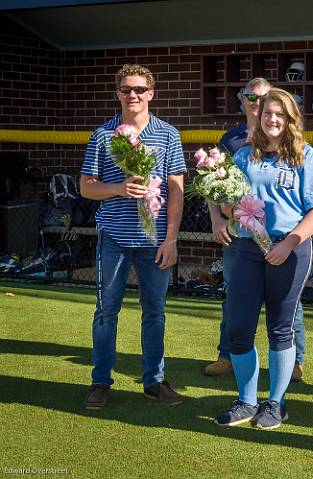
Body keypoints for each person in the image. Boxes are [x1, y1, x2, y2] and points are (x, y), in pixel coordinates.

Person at [213, 88, 313, 430]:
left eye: (280, 114)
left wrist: (289, 242)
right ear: (259, 116)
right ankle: (247, 401)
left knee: (281, 328)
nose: (273, 119)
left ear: (290, 118)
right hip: (249, 249)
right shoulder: (243, 156)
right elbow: (226, 203)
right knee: (238, 327)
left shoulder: (304, 156)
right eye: (268, 113)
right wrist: (222, 201)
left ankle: (276, 404)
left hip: (289, 249)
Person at [80, 64, 187, 409]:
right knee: (106, 311)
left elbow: (176, 192)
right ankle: (100, 381)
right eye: (126, 89)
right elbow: (86, 187)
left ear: (151, 94)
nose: (133, 95)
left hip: (154, 240)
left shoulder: (168, 134)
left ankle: (154, 380)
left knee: (154, 312)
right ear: (118, 93)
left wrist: (170, 239)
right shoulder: (103, 134)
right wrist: (118, 188)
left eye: (140, 89)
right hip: (113, 236)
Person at [204, 78, 308, 383]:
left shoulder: (292, 144)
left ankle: (296, 360)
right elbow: (215, 184)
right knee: (234, 296)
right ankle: (227, 354)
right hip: (242, 236)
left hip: (281, 239)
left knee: (288, 301)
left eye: (262, 97)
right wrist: (217, 219)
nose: (256, 101)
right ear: (242, 100)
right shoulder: (233, 140)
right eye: (250, 96)